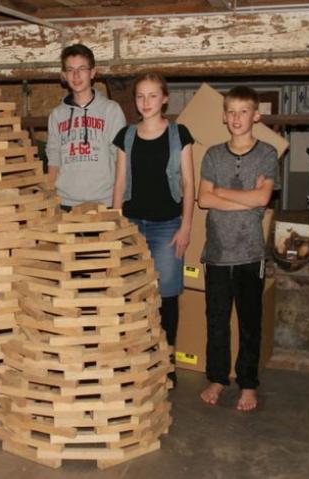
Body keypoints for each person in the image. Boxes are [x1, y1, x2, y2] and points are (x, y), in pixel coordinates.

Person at [197, 86, 279, 411]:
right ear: (223, 116)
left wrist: (220, 191)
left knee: (249, 323)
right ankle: (217, 379)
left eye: (244, 111)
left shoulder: (267, 154)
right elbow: (203, 199)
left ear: (255, 116)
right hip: (217, 253)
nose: (236, 118)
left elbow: (263, 198)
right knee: (216, 322)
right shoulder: (213, 155)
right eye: (231, 111)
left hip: (250, 254)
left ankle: (248, 384)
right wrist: (246, 200)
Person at [112, 72, 195, 388]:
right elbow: (120, 182)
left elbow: (188, 183)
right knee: (132, 293)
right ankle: (135, 359)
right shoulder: (126, 136)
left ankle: (167, 361)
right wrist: (115, 225)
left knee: (167, 295)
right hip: (132, 225)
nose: (145, 102)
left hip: (167, 225)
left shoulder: (179, 134)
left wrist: (186, 226)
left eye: (152, 95)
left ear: (164, 99)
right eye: (140, 96)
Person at [46, 44, 126, 210]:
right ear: (64, 75)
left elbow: (120, 159)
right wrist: (51, 200)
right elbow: (53, 157)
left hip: (104, 202)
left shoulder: (111, 110)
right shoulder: (56, 115)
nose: (76, 75)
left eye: (82, 68)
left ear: (92, 72)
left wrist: (118, 206)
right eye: (70, 70)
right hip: (66, 203)